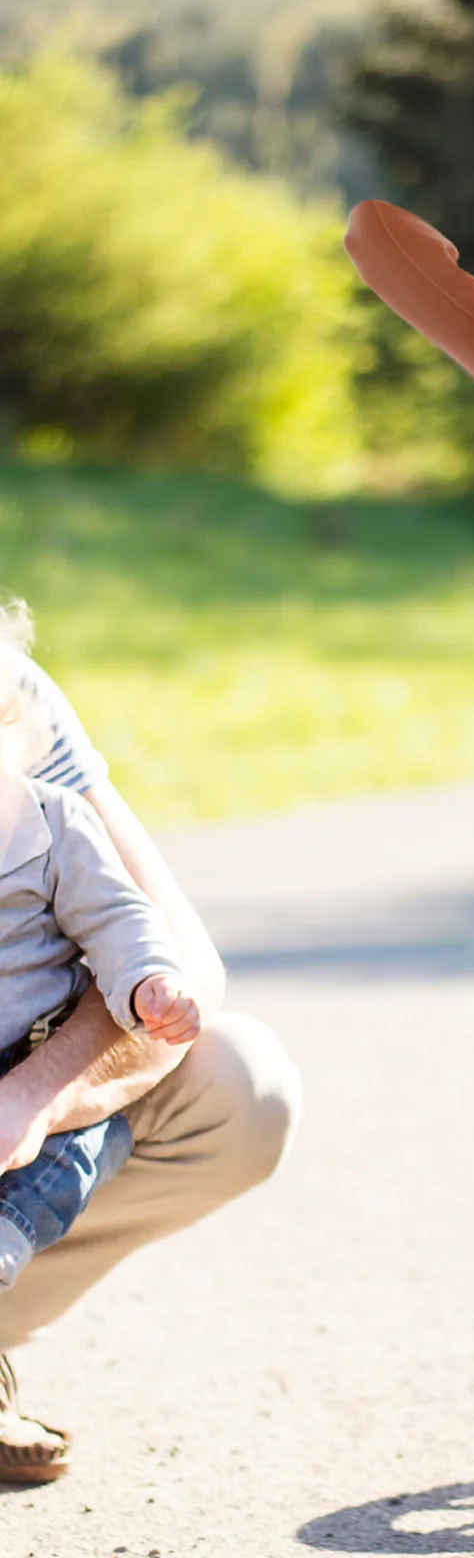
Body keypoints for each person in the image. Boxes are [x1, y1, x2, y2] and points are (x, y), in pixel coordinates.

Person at [0, 600, 300, 1482]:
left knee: (237, 1081)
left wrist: (36, 1094)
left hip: (20, 1062)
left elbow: (154, 937)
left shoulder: (26, 738)